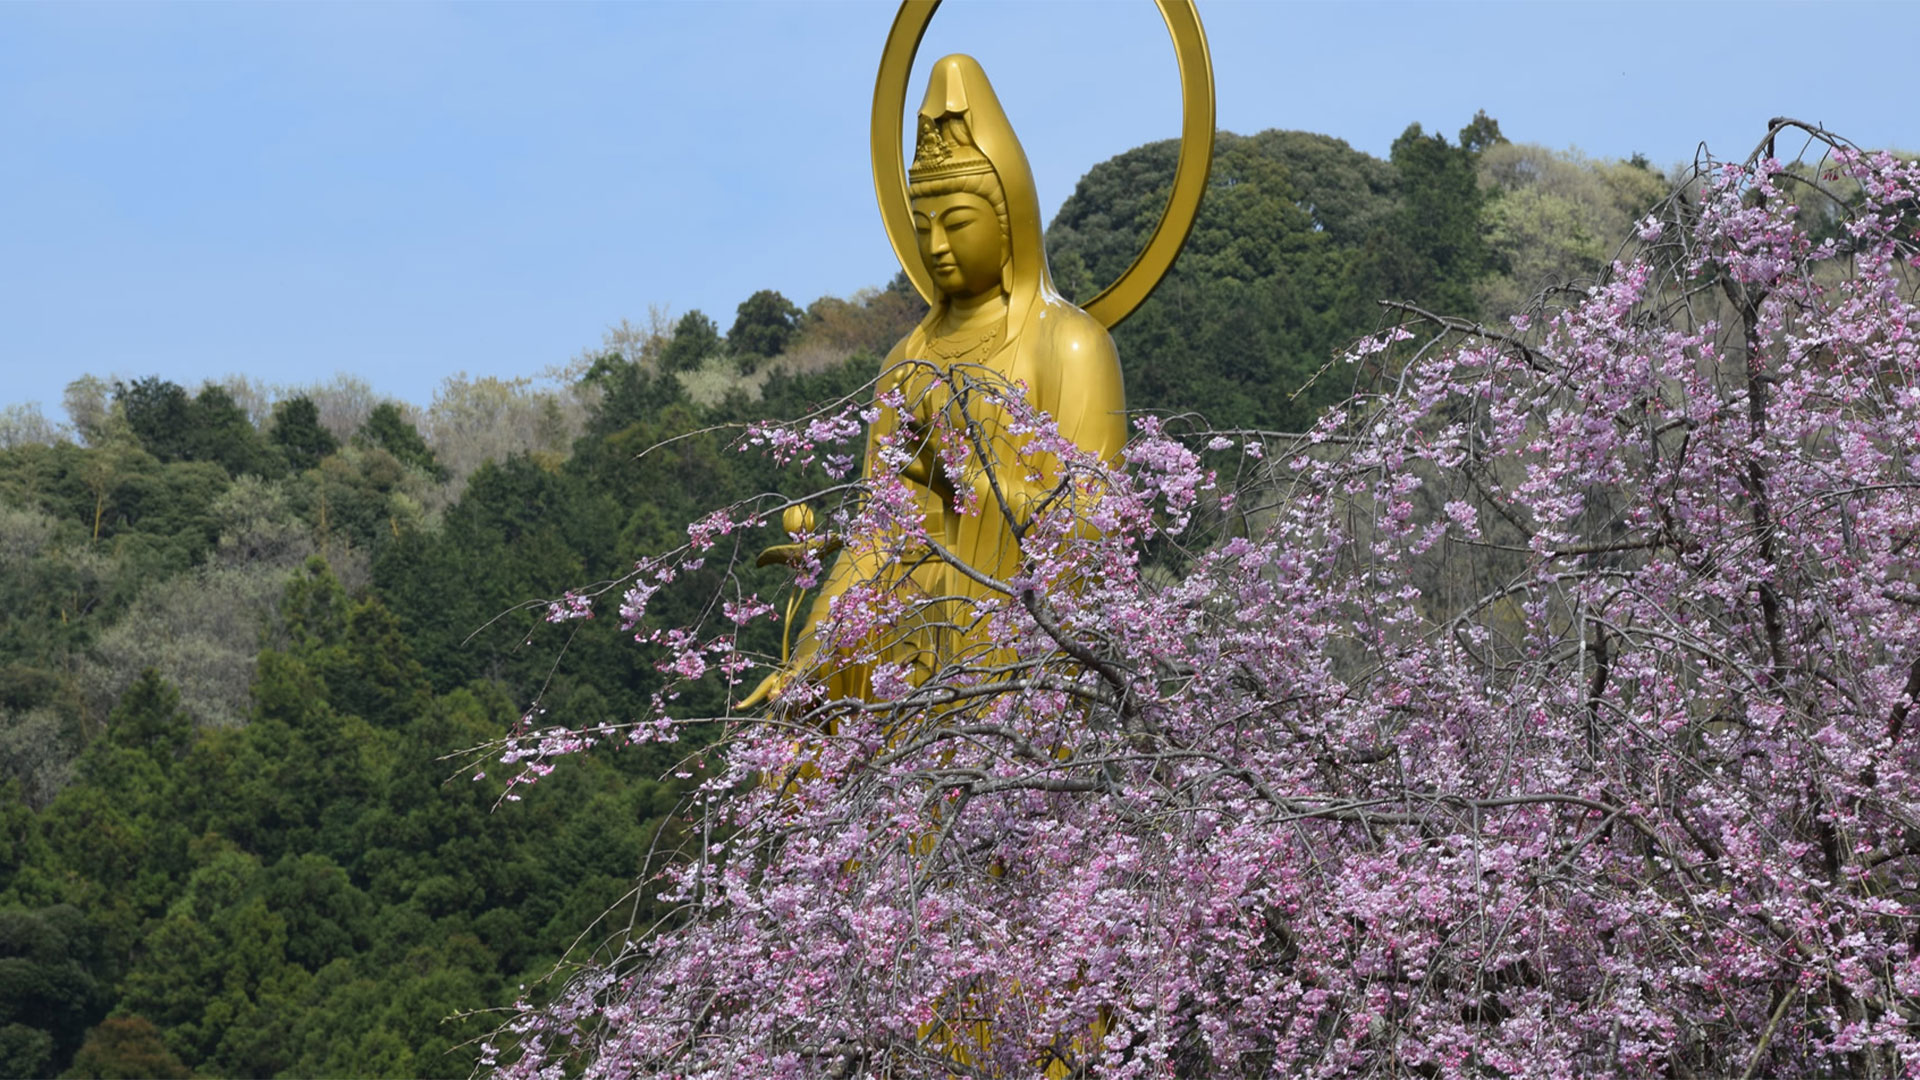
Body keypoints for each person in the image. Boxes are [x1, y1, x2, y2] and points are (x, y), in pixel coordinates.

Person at [741, 53, 1127, 710]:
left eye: (958, 223)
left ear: (1008, 223)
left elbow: (1096, 525)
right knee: (808, 722)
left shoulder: (1068, 343)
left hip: (1012, 641)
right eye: (924, 228)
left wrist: (965, 488)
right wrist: (808, 659)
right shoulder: (907, 361)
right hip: (908, 645)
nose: (938, 246)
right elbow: (876, 533)